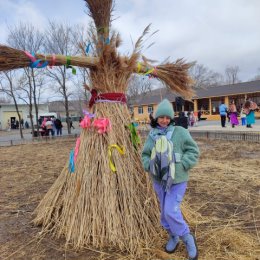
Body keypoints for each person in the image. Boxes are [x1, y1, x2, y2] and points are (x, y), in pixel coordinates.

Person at [141, 99, 199, 260]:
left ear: (171, 118)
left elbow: (193, 150)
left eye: (167, 117)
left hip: (178, 179)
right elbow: (145, 154)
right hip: (159, 180)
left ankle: (187, 238)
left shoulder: (180, 132)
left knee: (171, 210)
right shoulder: (152, 135)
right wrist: (149, 165)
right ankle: (173, 236)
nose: (165, 120)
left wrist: (184, 163)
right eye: (161, 117)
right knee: (164, 214)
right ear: (156, 118)